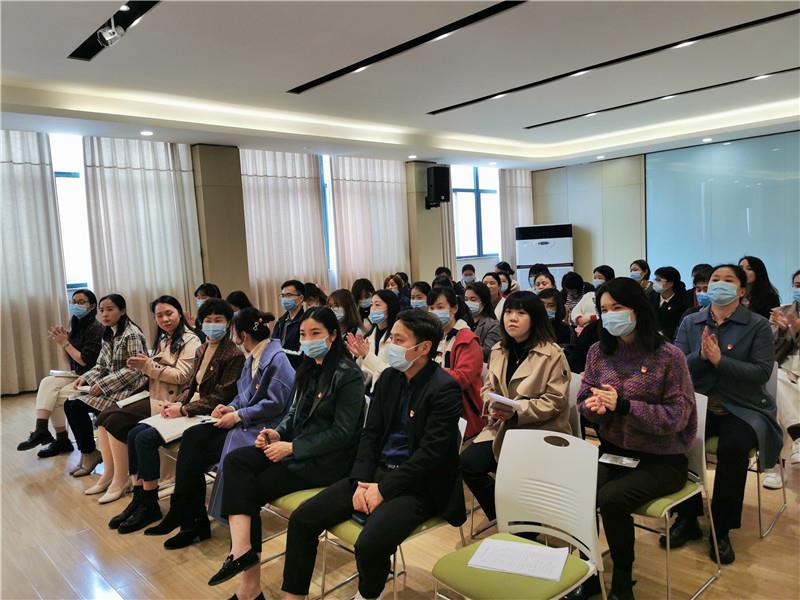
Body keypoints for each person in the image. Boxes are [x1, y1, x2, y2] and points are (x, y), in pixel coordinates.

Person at [278, 309, 465, 600]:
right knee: (303, 519)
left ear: (424, 347)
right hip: (375, 473)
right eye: (391, 338)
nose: (391, 346)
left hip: (418, 484)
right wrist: (362, 481)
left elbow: (431, 455)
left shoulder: (444, 388)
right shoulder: (389, 378)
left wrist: (383, 489)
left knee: (369, 544)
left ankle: (367, 594)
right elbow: (371, 434)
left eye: (399, 340)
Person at [206, 307, 365, 598]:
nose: (307, 339)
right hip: (295, 449)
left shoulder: (348, 375)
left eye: (315, 333)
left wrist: (292, 447)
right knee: (236, 461)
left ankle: (249, 588)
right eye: (303, 334)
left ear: (332, 336)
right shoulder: (308, 367)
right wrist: (276, 433)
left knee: (248, 489)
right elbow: (293, 413)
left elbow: (342, 434)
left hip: (327, 461)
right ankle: (241, 552)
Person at [574, 277, 697, 600]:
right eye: (604, 310)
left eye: (617, 307)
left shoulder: (669, 356)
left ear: (637, 309)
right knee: (579, 490)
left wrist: (626, 406)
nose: (610, 315)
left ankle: (622, 580)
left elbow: (678, 417)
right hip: (613, 451)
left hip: (662, 460)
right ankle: (588, 569)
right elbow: (583, 399)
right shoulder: (598, 352)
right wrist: (593, 408)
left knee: (611, 499)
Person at [130, 308, 294, 547]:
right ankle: (188, 516)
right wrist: (230, 407)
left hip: (262, 427)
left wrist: (237, 415)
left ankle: (190, 519)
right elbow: (243, 393)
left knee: (195, 447)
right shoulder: (253, 355)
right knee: (193, 438)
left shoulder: (275, 358)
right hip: (243, 419)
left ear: (242, 334)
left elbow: (275, 404)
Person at [671, 264, 781, 564]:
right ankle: (687, 517)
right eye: (715, 279)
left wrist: (721, 361)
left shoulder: (757, 325)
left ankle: (721, 529)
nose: (719, 284)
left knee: (734, 448)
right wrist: (701, 356)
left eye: (728, 280)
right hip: (699, 405)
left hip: (743, 407)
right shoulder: (691, 321)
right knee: (676, 438)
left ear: (741, 290)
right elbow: (676, 365)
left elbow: (761, 372)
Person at [120, 299, 244, 533]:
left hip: (206, 414)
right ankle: (140, 497)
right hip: (190, 408)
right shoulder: (202, 349)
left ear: (228, 323)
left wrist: (184, 409)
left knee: (145, 439)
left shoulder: (233, 354)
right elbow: (190, 385)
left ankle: (150, 502)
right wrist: (177, 403)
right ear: (201, 322)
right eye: (208, 320)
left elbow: (220, 396)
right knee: (135, 432)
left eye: (218, 320)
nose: (213, 325)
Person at [460, 291, 570, 521]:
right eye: (508, 312)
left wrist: (517, 410)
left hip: (538, 430)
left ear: (535, 318)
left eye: (521, 313)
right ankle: (505, 513)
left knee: (516, 473)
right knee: (466, 463)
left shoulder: (551, 354)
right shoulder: (499, 350)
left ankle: (526, 521)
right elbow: (487, 387)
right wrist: (492, 404)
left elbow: (555, 400)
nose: (512, 318)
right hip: (502, 426)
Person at [91, 296, 200, 504]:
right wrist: (146, 365)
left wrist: (147, 365)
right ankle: (111, 474)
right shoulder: (164, 338)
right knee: (104, 416)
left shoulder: (190, 340)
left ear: (179, 313)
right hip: (154, 392)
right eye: (159, 315)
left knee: (115, 421)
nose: (165, 319)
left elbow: (181, 376)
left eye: (169, 313)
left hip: (171, 399)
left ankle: (121, 479)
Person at [64, 294, 148, 479]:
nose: (105, 314)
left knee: (76, 407)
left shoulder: (131, 333)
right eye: (102, 310)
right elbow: (101, 365)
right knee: (70, 404)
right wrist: (85, 378)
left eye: (110, 310)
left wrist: (102, 385)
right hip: (114, 387)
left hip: (130, 389)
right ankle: (88, 453)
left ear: (122, 311)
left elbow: (135, 370)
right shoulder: (109, 333)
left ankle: (90, 454)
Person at [17, 288, 104, 457]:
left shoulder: (96, 328)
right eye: (74, 302)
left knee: (56, 395)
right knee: (47, 382)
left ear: (92, 306)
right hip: (77, 373)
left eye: (81, 302)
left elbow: (85, 361)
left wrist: (65, 343)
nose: (76, 305)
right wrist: (61, 343)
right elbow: (68, 362)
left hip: (91, 375)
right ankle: (42, 429)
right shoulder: (76, 324)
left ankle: (61, 439)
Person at [427, 287, 484, 439]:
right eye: (431, 308)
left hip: (464, 409)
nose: (435, 312)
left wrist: (429, 372)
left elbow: (462, 378)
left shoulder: (467, 339)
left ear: (454, 308)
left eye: (440, 307)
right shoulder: (434, 337)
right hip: (437, 402)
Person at [764, 269, 800, 488]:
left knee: (781, 394)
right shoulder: (782, 311)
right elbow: (768, 348)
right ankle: (798, 438)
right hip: (785, 368)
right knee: (777, 385)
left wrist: (796, 330)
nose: (799, 289)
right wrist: (783, 330)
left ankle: (776, 466)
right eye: (797, 285)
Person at [346, 289, 400, 393]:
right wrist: (359, 356)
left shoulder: (396, 339)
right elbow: (365, 374)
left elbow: (390, 374)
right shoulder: (369, 336)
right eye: (372, 305)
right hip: (369, 392)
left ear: (390, 308)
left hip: (387, 391)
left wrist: (366, 355)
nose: (373, 309)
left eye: (377, 305)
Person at [651, 266, 691, 341]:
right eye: (655, 279)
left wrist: (662, 334)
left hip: (671, 340)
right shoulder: (652, 296)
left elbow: (679, 326)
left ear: (670, 283)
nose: (655, 282)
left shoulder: (683, 302)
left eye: (658, 280)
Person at [465, 281, 501, 362]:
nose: (468, 303)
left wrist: (465, 346)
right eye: (466, 299)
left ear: (484, 301)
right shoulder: (463, 322)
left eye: (473, 299)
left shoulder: (493, 325)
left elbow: (488, 353)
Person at [273, 280, 305, 367]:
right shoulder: (280, 322)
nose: (284, 299)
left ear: (301, 298)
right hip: (280, 368)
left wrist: (278, 353)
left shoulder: (305, 321)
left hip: (296, 369)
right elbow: (273, 345)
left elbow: (302, 353)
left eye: (289, 295)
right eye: (283, 296)